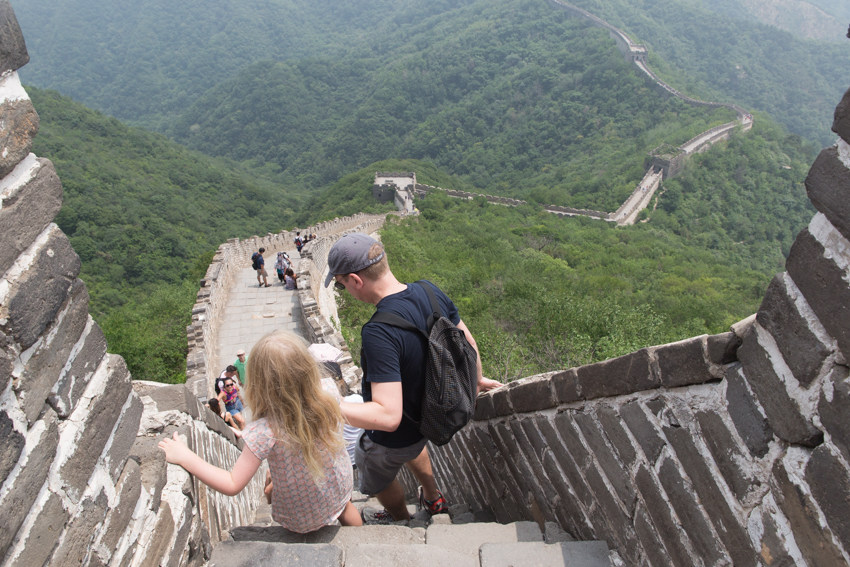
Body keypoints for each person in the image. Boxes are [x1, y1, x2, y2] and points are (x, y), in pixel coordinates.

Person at [325, 233, 501, 524]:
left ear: (356, 280)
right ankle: (433, 498)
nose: (348, 291)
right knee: (414, 449)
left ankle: (401, 519)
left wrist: (326, 406)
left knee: (373, 475)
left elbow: (388, 416)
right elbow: (467, 343)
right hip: (432, 418)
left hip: (397, 435)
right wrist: (476, 381)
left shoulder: (378, 332)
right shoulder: (429, 291)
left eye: (343, 285)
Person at [160, 330, 362, 532]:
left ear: (259, 384)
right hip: (339, 486)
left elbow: (232, 483)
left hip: (301, 515)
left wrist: (185, 457)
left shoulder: (264, 430)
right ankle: (360, 540)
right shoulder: (328, 392)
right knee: (345, 508)